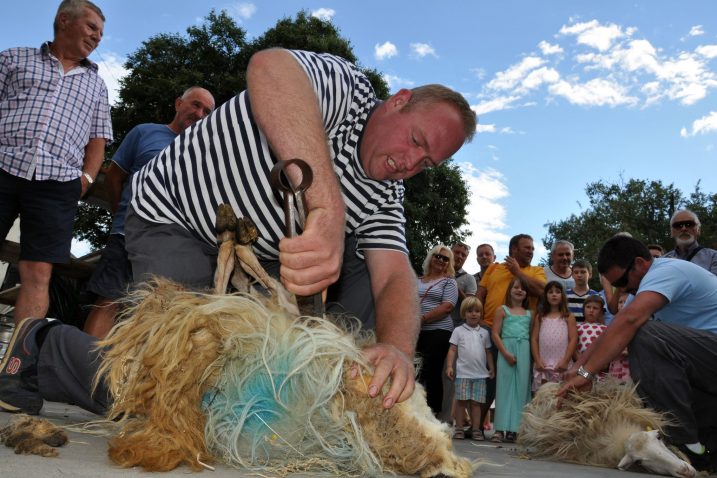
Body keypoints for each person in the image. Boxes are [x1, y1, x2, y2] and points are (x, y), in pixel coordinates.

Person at [0, 49, 476, 417]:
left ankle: (323, 393)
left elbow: (395, 276)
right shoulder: (346, 88)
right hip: (176, 218)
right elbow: (270, 68)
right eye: (416, 141)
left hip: (256, 261)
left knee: (226, 397)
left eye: (427, 163)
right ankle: (43, 346)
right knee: (174, 384)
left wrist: (395, 347)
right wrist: (327, 208)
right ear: (398, 102)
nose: (411, 163)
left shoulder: (385, 195)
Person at [559, 235, 717, 473]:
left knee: (644, 336)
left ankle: (684, 443)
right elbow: (614, 327)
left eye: (622, 280)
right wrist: (577, 368)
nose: (622, 289)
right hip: (705, 365)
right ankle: (703, 447)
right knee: (646, 344)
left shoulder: (667, 271)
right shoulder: (641, 285)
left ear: (641, 263)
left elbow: (631, 321)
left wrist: (587, 373)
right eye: (616, 285)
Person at [0, 0, 113, 325]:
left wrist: (87, 181)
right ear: (64, 20)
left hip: (56, 184)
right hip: (3, 166)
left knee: (38, 272)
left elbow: (97, 143)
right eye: (92, 27)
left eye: (101, 33)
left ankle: (15, 361)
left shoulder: (96, 85)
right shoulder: (13, 58)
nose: (97, 37)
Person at [83, 86, 215, 338]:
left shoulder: (206, 153)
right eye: (195, 105)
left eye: (207, 111)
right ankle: (85, 370)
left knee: (161, 313)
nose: (199, 114)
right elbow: (114, 176)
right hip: (127, 235)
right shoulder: (145, 132)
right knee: (109, 300)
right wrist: (122, 214)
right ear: (178, 103)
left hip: (177, 248)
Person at [477, 234, 545, 432]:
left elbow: (542, 290)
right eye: (527, 248)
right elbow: (480, 294)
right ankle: (478, 425)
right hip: (489, 328)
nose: (531, 251)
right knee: (488, 379)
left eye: (532, 248)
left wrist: (518, 272)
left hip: (521, 337)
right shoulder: (494, 268)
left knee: (521, 383)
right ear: (513, 249)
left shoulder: (536, 270)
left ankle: (516, 427)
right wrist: (478, 319)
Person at [416, 245, 458, 415]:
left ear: (449, 263)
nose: (440, 260)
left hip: (438, 330)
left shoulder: (449, 282)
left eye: (445, 258)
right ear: (430, 258)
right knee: (415, 371)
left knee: (432, 372)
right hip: (416, 331)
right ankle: (414, 410)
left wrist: (422, 319)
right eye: (437, 256)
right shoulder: (416, 280)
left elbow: (447, 307)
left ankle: (433, 413)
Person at [446, 296, 494, 441]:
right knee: (461, 402)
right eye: (470, 311)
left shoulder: (484, 333)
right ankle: (459, 428)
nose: (474, 314)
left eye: (477, 311)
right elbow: (452, 350)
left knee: (476, 403)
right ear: (463, 313)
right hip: (463, 374)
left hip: (480, 374)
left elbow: (488, 352)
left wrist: (491, 368)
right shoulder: (458, 331)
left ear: (481, 313)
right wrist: (449, 366)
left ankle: (476, 429)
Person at [490, 277, 532, 444]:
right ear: (510, 290)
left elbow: (532, 335)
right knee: (504, 388)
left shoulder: (530, 314)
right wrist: (505, 353)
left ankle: (515, 429)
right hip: (506, 347)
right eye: (516, 287)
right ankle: (499, 428)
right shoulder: (502, 310)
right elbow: (495, 333)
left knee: (522, 389)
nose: (519, 290)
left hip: (524, 349)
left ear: (526, 293)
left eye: (523, 288)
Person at [440, 241, 477, 423]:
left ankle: (447, 419)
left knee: (450, 375)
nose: (460, 256)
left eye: (464, 254)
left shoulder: (468, 279)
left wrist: (455, 287)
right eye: (457, 253)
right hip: (435, 329)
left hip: (456, 331)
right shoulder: (438, 272)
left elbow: (472, 305)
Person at [530, 281, 577, 392]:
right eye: (550, 292)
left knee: (561, 396)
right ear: (545, 296)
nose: (554, 294)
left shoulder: (568, 317)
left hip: (562, 366)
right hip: (543, 365)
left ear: (563, 296)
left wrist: (565, 361)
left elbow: (573, 339)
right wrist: (537, 360)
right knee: (543, 397)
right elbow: (534, 339)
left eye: (558, 292)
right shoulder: (540, 316)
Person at [663, 209, 717, 275]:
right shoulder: (663, 260)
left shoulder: (713, 257)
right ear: (671, 232)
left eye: (689, 224)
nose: (683, 229)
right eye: (678, 225)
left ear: (698, 230)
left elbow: (713, 284)